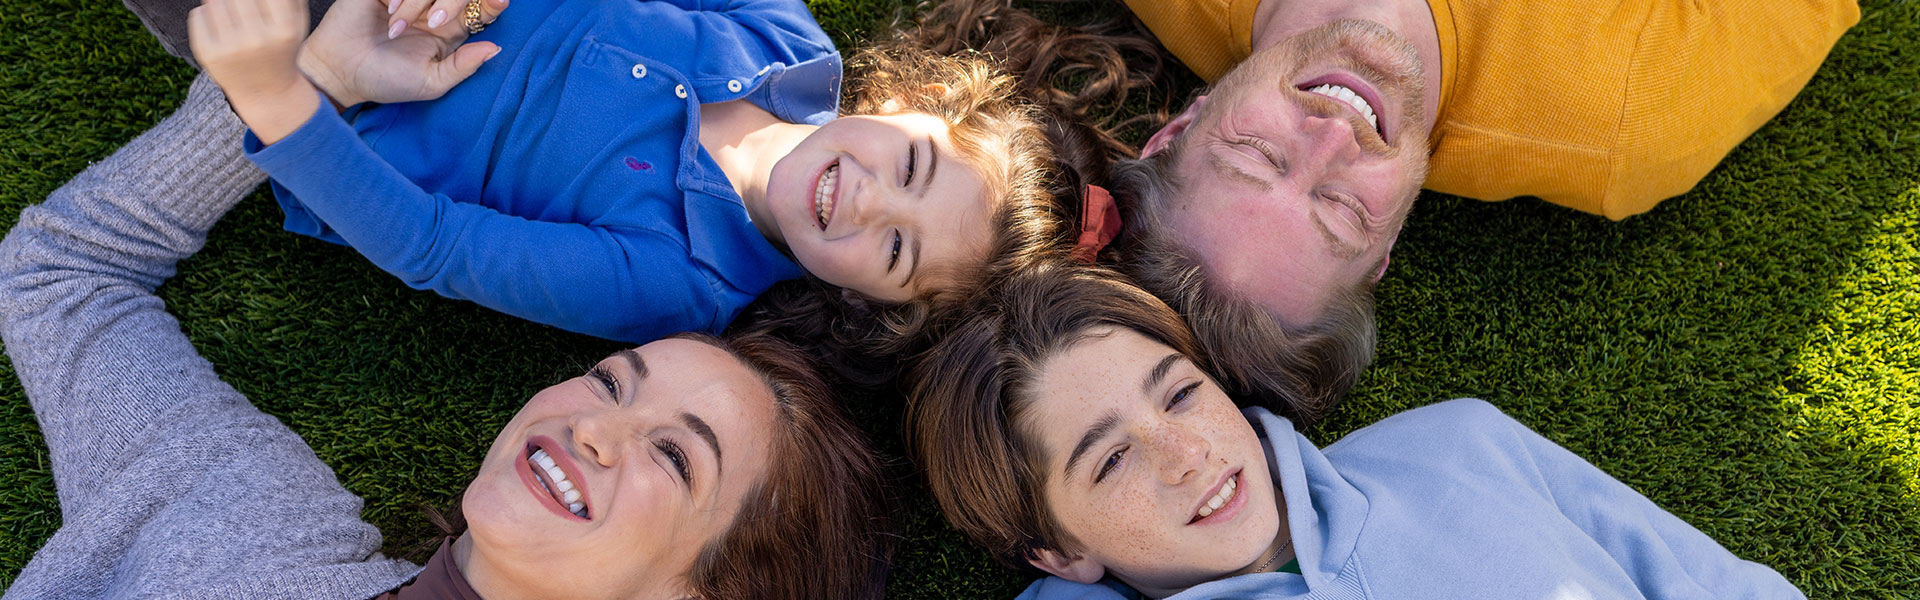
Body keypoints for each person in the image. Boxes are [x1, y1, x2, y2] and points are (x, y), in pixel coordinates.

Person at [0, 77, 890, 599]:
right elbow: (60, 276)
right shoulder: (246, 514)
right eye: (611, 381)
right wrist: (302, 84)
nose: (592, 425)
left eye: (675, 456)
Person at [181, 0, 1066, 349]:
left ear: (874, 305)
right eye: (911, 164)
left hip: (334, 104)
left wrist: (288, 99)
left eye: (897, 250)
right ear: (915, 104)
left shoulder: (683, 285)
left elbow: (437, 247)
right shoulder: (790, 43)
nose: (869, 200)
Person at [905, 261, 1805, 599]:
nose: (1187, 455)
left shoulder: (1458, 446)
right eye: (1110, 460)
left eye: (1178, 395)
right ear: (1056, 553)